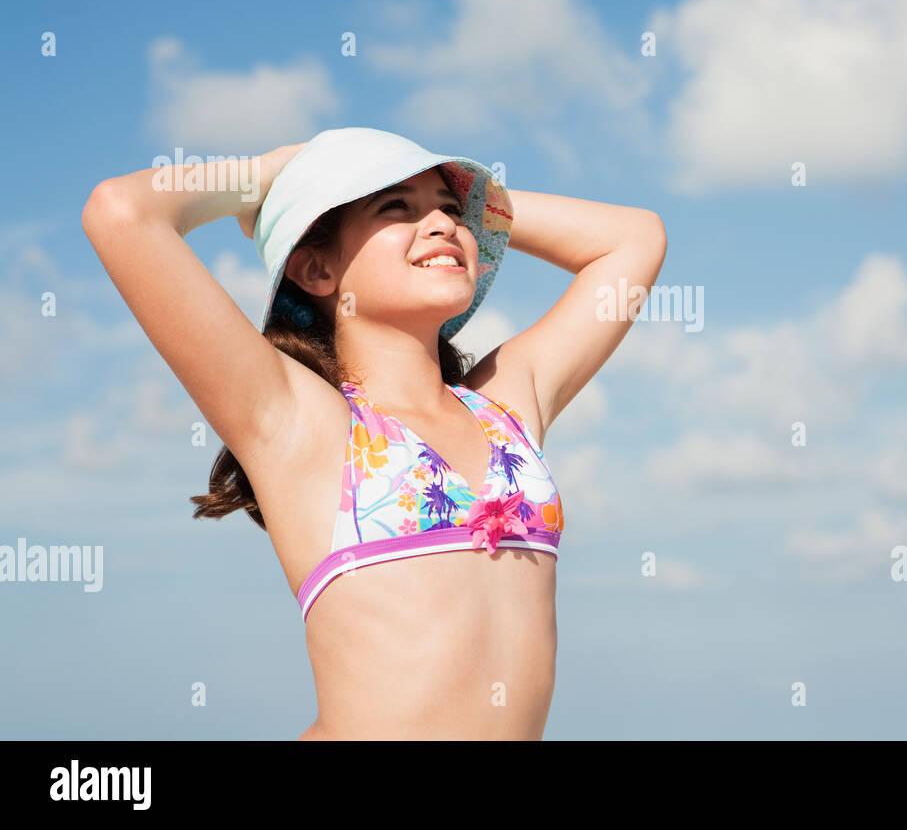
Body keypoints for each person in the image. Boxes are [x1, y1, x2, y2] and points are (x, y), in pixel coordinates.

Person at [81, 127, 667, 739]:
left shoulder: (506, 403)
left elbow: (633, 240)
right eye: (395, 206)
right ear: (316, 267)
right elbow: (122, 213)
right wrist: (273, 174)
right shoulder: (300, 422)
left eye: (449, 207)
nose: (442, 223)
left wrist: (481, 211)